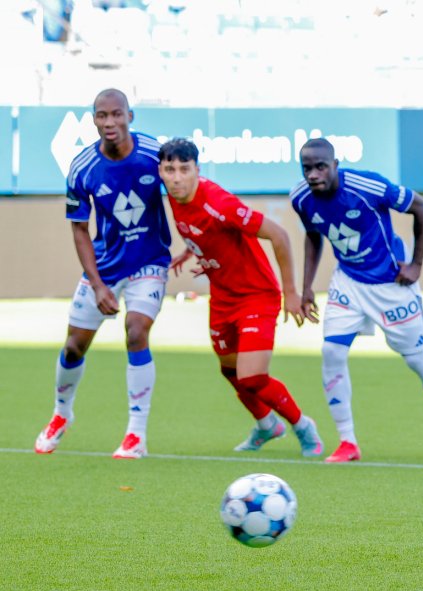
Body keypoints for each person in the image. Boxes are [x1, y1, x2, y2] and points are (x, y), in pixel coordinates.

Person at [292, 137, 423, 463]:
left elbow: (422, 207)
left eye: (320, 167)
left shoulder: (367, 186)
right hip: (348, 283)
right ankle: (347, 441)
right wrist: (306, 288)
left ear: (335, 166)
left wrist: (416, 264)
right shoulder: (300, 198)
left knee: (417, 360)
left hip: (391, 283)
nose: (313, 174)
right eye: (307, 168)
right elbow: (313, 236)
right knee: (331, 351)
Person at [157, 137, 325, 458]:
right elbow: (202, 230)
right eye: (169, 169)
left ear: (197, 170)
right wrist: (190, 252)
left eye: (183, 169)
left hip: (256, 296)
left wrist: (291, 292)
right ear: (161, 172)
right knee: (230, 372)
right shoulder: (174, 197)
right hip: (222, 297)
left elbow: (279, 235)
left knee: (253, 377)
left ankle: (303, 425)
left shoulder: (220, 204)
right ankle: (266, 425)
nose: (176, 177)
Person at [35, 88, 172, 459]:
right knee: (73, 346)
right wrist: (97, 285)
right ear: (93, 119)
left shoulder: (153, 155)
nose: (110, 122)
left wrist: (193, 243)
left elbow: (183, 192)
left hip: (150, 262)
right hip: (106, 266)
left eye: (117, 114)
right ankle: (61, 415)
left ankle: (135, 435)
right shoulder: (82, 168)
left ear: (131, 116)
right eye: (101, 116)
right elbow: (80, 229)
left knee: (136, 331)